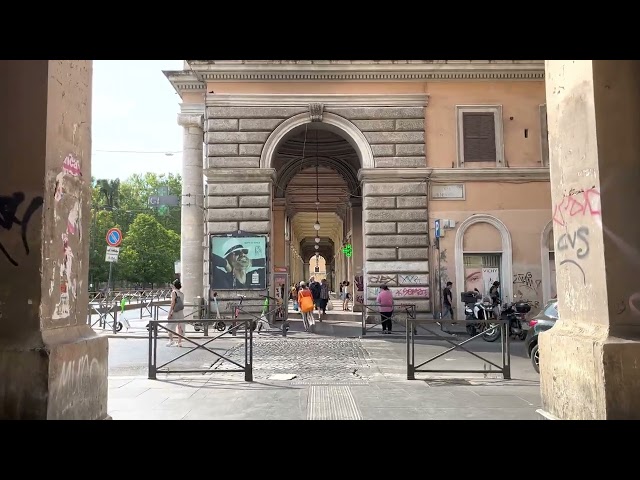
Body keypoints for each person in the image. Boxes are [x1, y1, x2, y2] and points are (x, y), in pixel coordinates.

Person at [167, 279, 186, 347]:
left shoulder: (173, 292)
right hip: (180, 312)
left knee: (170, 325)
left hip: (175, 311)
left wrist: (170, 312)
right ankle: (179, 342)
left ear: (174, 285)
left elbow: (173, 303)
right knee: (180, 326)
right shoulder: (182, 294)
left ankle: (171, 340)